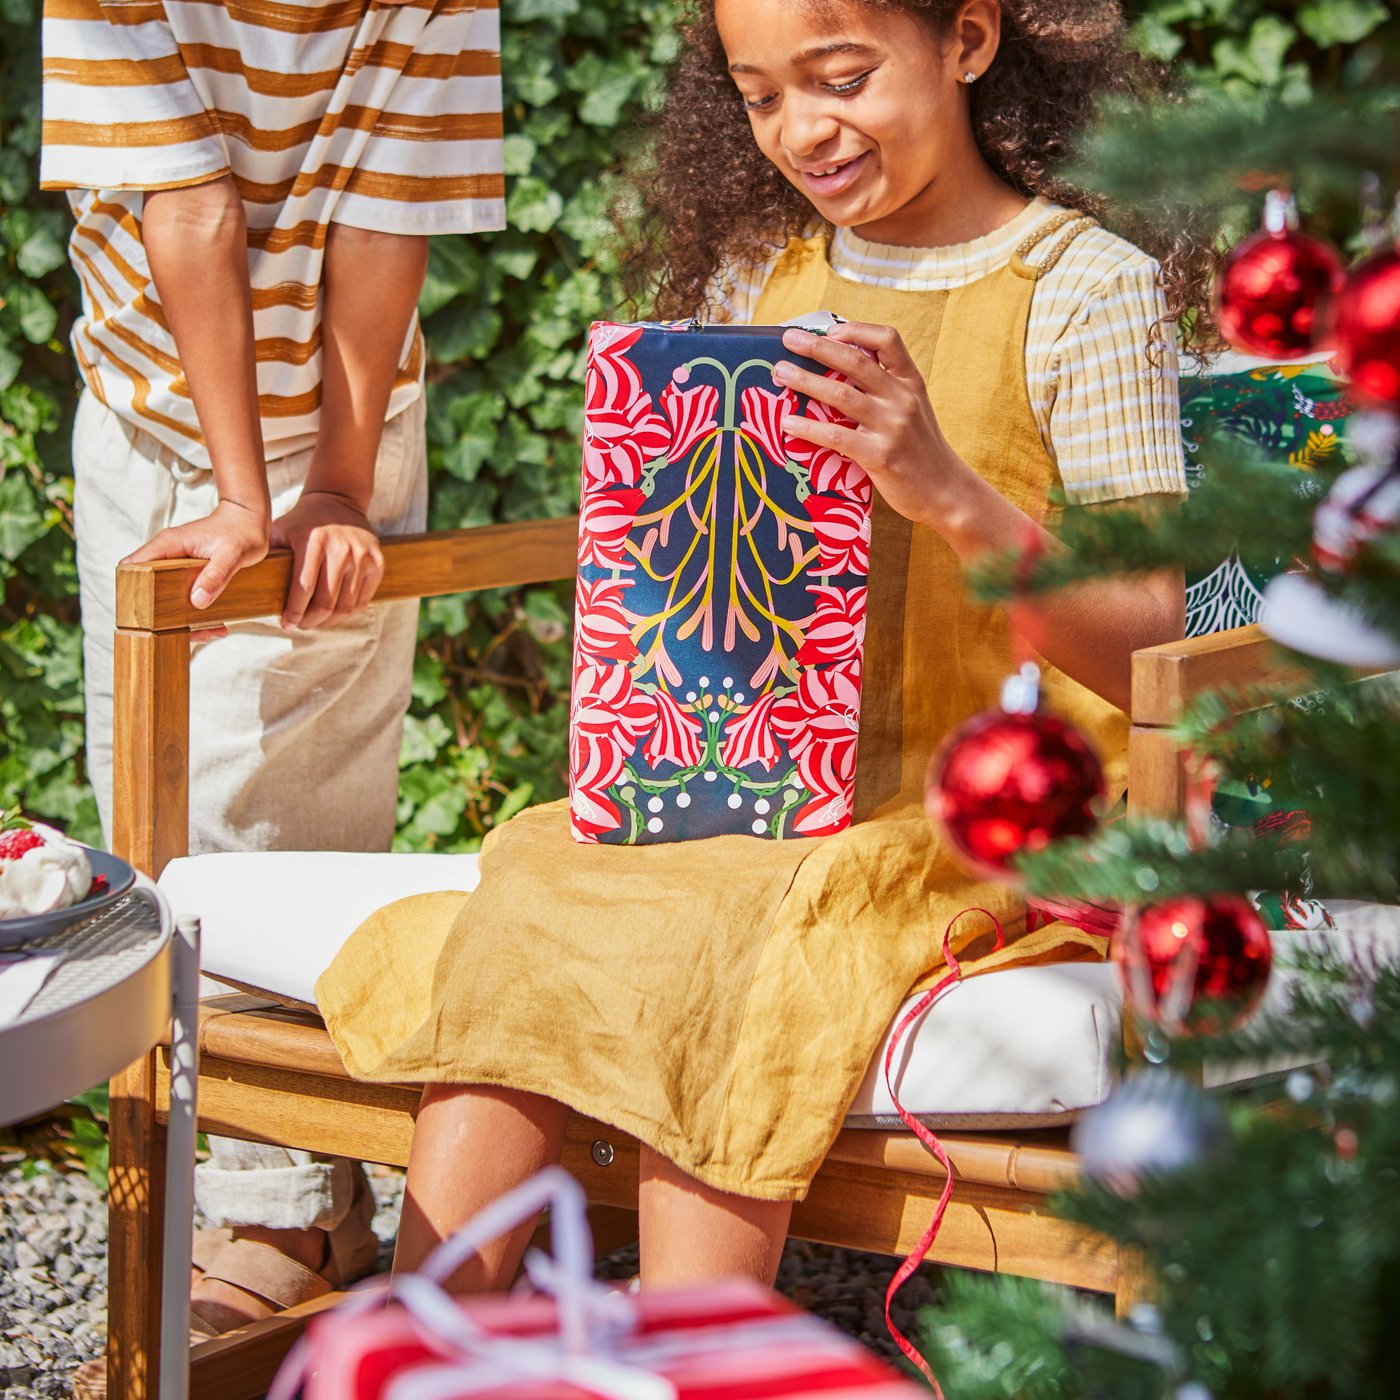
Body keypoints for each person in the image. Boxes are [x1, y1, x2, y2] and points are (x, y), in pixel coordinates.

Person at [316, 0, 1193, 1293]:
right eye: (762, 94)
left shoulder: (1083, 289)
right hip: (753, 779)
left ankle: (695, 1353)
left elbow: (1152, 641)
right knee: (549, 867)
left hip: (982, 810)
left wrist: (943, 486)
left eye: (841, 78)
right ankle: (426, 1346)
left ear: (967, 40)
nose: (800, 130)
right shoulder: (762, 276)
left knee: (750, 918)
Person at [39, 0, 503, 1382]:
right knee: (169, 814)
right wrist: (240, 491)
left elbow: (383, 213)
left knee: (291, 824)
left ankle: (290, 1218)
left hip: (353, 418)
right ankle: (262, 1193)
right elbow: (186, 205)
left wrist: (337, 484)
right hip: (162, 410)